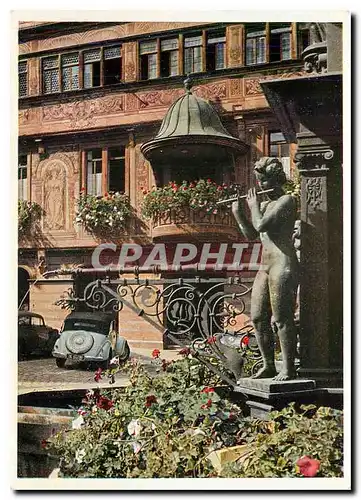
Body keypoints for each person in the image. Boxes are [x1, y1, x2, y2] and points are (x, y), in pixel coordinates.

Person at [232, 157, 299, 381]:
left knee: (281, 318)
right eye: (259, 181)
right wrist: (238, 212)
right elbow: (252, 234)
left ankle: (288, 368)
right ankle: (269, 364)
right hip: (265, 265)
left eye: (264, 180)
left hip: (283, 263)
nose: (261, 185)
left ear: (276, 179)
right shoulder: (263, 205)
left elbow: (261, 224)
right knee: (258, 317)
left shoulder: (286, 200)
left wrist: (251, 207)